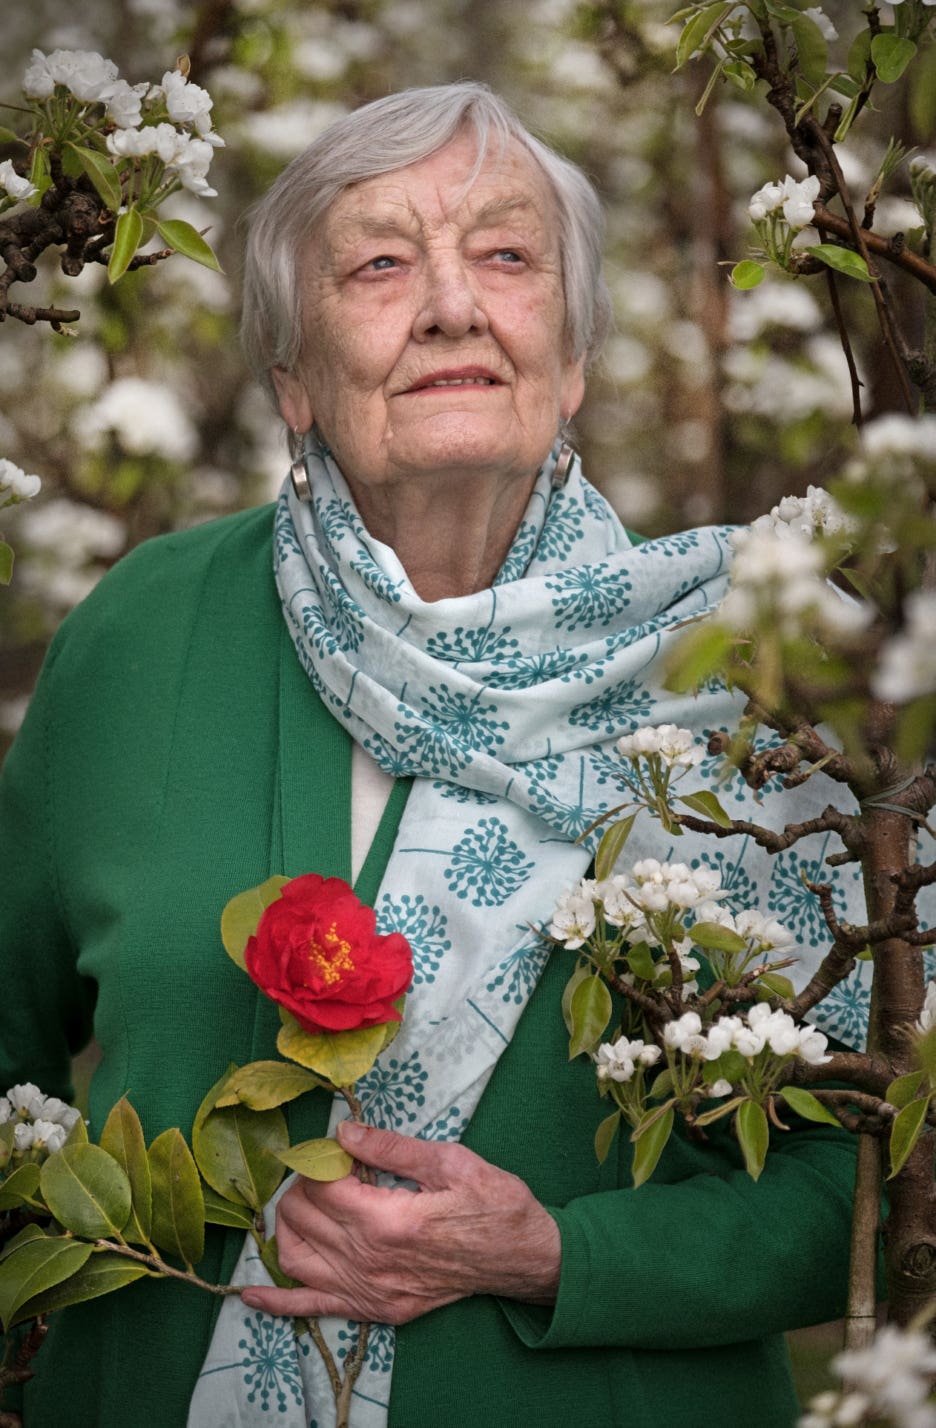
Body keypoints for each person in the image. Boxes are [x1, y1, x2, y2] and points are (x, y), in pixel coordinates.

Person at [0, 82, 859, 1427]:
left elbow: (860, 1189)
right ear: (293, 377)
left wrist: (559, 1257)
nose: (453, 306)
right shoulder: (142, 635)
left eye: (507, 256)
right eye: (381, 263)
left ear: (571, 357)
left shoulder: (743, 673)